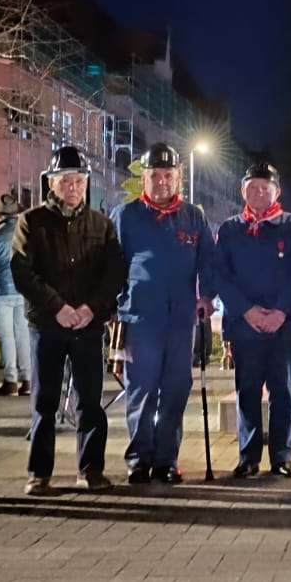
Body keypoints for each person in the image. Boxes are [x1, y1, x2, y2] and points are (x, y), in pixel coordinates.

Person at [9, 146, 126, 495]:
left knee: (89, 400)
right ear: (52, 184)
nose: (73, 187)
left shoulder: (102, 225)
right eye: (65, 181)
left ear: (86, 183)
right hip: (46, 324)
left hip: (88, 326)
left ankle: (91, 470)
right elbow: (22, 271)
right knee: (44, 401)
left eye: (78, 181)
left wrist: (92, 308)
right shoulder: (32, 222)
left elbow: (113, 274)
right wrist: (57, 306)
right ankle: (39, 473)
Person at [108, 142, 216, 485]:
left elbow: (208, 262)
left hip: (181, 320)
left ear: (178, 176)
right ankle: (139, 459)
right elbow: (111, 266)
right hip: (141, 319)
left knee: (175, 389)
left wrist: (206, 296)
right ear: (145, 178)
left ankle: (167, 459)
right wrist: (116, 306)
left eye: (168, 175)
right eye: (155, 175)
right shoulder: (125, 216)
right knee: (141, 389)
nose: (162, 182)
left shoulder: (193, 216)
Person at [213, 161, 291, 479]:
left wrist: (281, 311)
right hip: (245, 326)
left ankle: (282, 456)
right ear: (243, 191)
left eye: (264, 188)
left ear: (276, 192)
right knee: (248, 392)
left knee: (283, 392)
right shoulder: (230, 229)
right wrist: (247, 310)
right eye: (251, 187)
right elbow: (221, 275)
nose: (258, 193)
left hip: (282, 326)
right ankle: (248, 457)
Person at [0, 192, 31, 397]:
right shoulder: (27, 233)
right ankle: (28, 379)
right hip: (24, 290)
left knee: (6, 336)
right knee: (23, 334)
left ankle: (10, 380)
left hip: (0, 291)